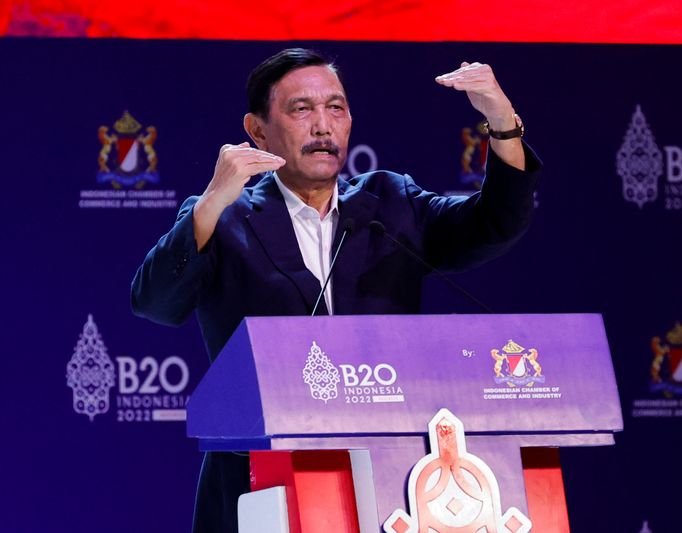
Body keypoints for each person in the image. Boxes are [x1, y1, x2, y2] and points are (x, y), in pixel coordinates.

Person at [131, 48, 541, 533]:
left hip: (391, 482)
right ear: (257, 129)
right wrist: (213, 202)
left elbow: (493, 224)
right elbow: (156, 303)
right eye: (301, 109)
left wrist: (501, 121)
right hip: (256, 482)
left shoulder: (389, 203)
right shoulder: (225, 215)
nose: (323, 126)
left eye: (336, 108)